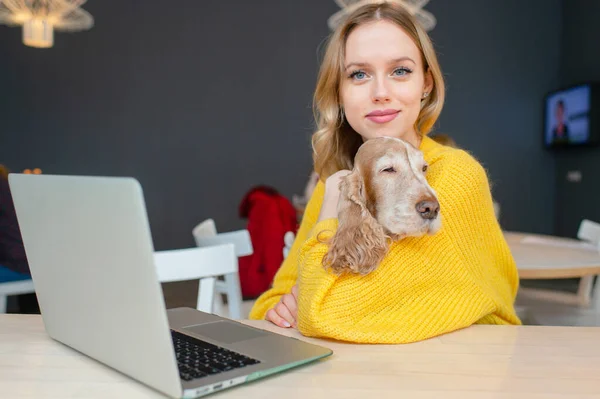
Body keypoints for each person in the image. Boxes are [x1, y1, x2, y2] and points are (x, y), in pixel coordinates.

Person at [249, 2, 521, 343]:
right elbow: (269, 305)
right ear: (339, 91)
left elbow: (328, 313)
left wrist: (308, 300)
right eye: (359, 74)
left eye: (400, 71)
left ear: (426, 84)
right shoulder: (337, 182)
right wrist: (285, 308)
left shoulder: (455, 175)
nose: (380, 93)